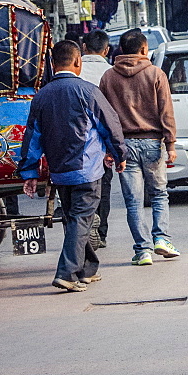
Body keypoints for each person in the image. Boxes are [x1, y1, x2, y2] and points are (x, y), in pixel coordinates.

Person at [19, 39, 127, 292]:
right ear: (78, 61)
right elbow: (110, 126)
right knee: (80, 219)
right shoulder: (88, 92)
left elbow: (32, 138)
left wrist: (30, 172)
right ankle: (66, 273)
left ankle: (86, 268)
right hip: (87, 169)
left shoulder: (41, 96)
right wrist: (119, 154)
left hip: (60, 171)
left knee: (75, 218)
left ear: (52, 63)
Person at [99, 29, 180, 264]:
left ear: (121, 50)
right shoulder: (156, 74)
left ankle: (142, 250)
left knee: (133, 201)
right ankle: (162, 239)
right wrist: (171, 143)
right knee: (158, 195)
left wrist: (108, 148)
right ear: (144, 49)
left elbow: (105, 117)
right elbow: (166, 111)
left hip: (123, 146)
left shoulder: (108, 77)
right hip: (153, 143)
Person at [79, 30, 112, 247]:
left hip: (74, 139)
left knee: (78, 184)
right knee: (103, 184)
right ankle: (100, 231)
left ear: (83, 47)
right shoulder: (111, 73)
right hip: (102, 139)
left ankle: (82, 229)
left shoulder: (73, 70)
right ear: (106, 50)